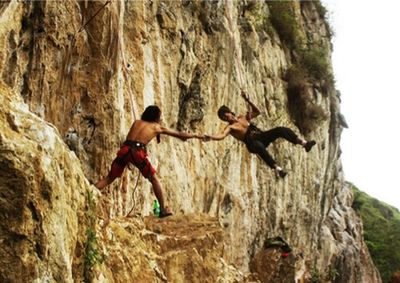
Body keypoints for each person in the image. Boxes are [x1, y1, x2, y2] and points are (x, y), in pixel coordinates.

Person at [95, 105, 204, 217]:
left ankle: (91, 190)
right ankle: (162, 209)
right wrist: (196, 135)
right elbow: (180, 135)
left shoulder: (136, 122)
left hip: (125, 150)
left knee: (109, 178)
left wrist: (128, 159)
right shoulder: (156, 127)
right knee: (154, 178)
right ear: (156, 117)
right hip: (137, 152)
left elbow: (129, 139)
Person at [204, 91, 316, 178]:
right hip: (252, 143)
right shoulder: (230, 128)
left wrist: (248, 100)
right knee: (259, 146)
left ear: (229, 112)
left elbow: (257, 112)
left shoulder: (243, 117)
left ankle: (304, 143)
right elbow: (222, 135)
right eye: (223, 118)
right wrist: (211, 137)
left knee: (281, 130)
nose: (226, 118)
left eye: (225, 115)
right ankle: (277, 169)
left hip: (261, 136)